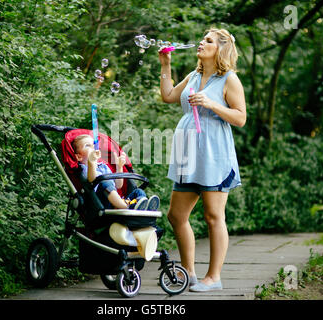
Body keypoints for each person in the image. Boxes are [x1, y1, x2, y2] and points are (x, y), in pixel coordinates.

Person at [158, 28, 246, 292]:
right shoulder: (194, 75)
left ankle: (214, 277)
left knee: (213, 215)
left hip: (214, 155)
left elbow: (240, 118)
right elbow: (169, 96)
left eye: (208, 40)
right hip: (188, 154)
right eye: (202, 38)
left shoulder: (229, 79)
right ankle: (189, 272)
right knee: (176, 215)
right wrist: (165, 65)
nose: (200, 42)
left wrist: (210, 103)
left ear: (220, 48)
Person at [72, 134, 160, 211]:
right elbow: (92, 179)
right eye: (87, 146)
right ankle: (126, 207)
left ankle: (141, 206)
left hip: (116, 201)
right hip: (101, 203)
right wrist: (91, 162)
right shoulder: (83, 169)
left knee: (139, 192)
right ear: (79, 157)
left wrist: (119, 167)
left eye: (94, 145)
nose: (93, 148)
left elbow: (118, 185)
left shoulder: (103, 166)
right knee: (104, 182)